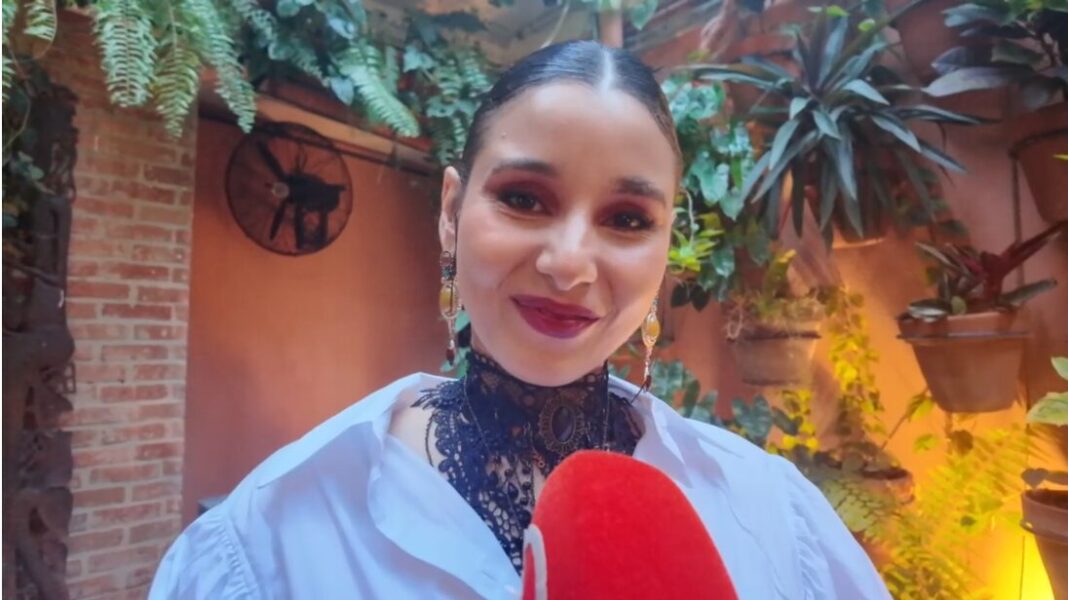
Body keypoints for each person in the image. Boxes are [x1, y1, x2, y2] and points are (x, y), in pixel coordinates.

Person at [149, 40, 890, 599]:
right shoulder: (269, 539)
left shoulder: (772, 518)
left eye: (627, 218)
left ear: (666, 247)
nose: (569, 264)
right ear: (451, 212)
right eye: (524, 199)